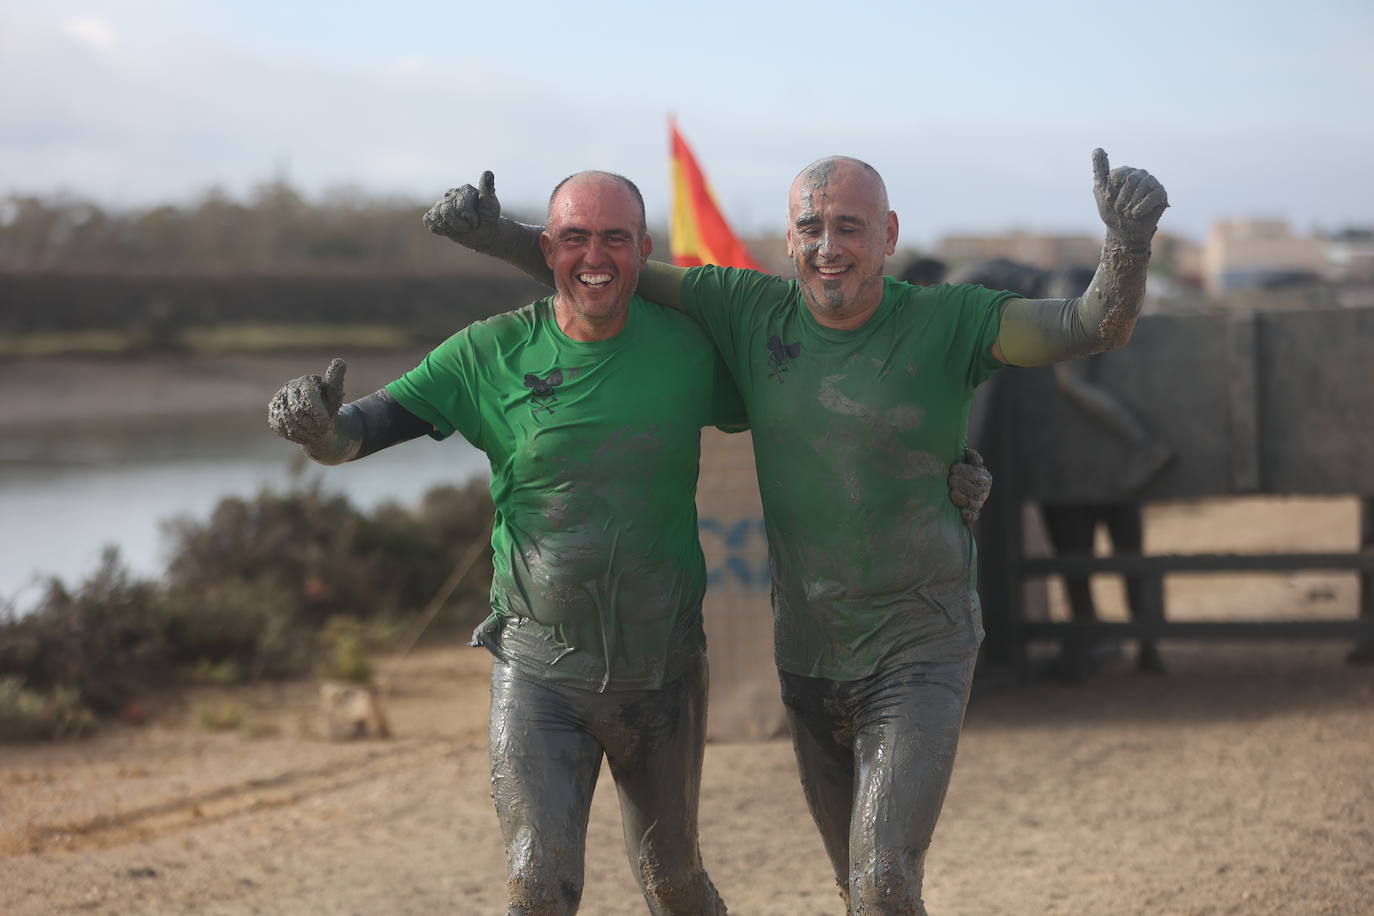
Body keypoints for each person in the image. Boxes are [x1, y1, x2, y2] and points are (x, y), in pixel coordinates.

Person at [425, 148, 1167, 914]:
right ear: (789, 238)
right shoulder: (751, 312)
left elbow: (1091, 324)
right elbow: (607, 270)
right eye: (810, 227)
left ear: (888, 234)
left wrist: (1127, 243)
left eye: (850, 226)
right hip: (810, 660)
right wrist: (497, 235)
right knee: (859, 889)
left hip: (920, 645)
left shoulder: (950, 320)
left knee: (883, 881)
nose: (828, 245)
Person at [270, 170, 993, 915]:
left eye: (615, 238)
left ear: (644, 251)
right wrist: (320, 430)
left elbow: (828, 411)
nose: (595, 257)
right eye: (575, 238)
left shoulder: (688, 350)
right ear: (548, 249)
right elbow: (359, 431)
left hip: (663, 673)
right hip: (538, 668)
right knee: (537, 886)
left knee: (673, 884)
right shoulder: (486, 354)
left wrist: (943, 471)